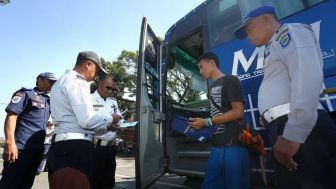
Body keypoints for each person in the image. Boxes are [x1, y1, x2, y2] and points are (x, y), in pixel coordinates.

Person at [235, 5, 336, 188]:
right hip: (285, 126)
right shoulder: (273, 46)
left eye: (250, 29)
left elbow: (306, 76)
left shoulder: (289, 32)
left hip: (297, 126)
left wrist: (294, 133)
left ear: (267, 20)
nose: (248, 36)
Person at [47, 51, 122, 189]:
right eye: (97, 71)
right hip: (75, 148)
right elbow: (87, 120)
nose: (95, 76)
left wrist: (106, 126)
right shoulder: (78, 81)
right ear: (88, 64)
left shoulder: (60, 81)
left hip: (61, 145)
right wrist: (111, 118)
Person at [188, 52, 249, 189]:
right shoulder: (210, 89)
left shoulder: (231, 80)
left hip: (234, 147)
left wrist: (207, 122)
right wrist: (201, 126)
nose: (200, 71)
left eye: (201, 66)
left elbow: (238, 112)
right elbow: (216, 117)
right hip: (216, 148)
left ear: (212, 63)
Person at [0, 72, 57, 189]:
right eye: (50, 82)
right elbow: (12, 116)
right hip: (20, 149)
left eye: (54, 83)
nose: (52, 85)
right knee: (10, 183)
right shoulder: (26, 94)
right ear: (39, 80)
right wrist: (10, 143)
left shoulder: (48, 101)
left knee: (26, 184)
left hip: (36, 150)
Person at [91, 75, 121, 189]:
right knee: (95, 182)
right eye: (108, 88)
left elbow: (119, 118)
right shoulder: (89, 99)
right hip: (95, 148)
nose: (111, 91)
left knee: (109, 182)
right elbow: (88, 123)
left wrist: (126, 123)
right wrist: (108, 126)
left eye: (114, 90)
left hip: (111, 148)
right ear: (99, 84)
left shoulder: (113, 102)